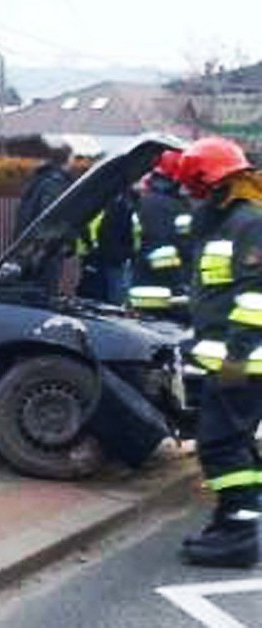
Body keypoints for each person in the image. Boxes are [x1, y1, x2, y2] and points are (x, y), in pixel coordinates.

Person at [176, 136, 261, 568]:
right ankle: (231, 521)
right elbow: (215, 288)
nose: (196, 198)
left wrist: (235, 356)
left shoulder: (248, 223)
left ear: (217, 183)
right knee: (234, 444)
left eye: (199, 188)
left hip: (242, 362)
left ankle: (239, 535)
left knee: (220, 445)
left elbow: (255, 298)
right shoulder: (227, 222)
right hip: (231, 359)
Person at [128, 150, 192, 315]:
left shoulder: (157, 200)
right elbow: (162, 252)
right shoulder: (160, 204)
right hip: (158, 292)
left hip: (153, 285)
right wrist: (180, 284)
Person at [16, 143, 75, 295]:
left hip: (31, 248)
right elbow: (51, 218)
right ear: (67, 160)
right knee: (45, 295)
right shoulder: (55, 183)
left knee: (33, 293)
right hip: (45, 251)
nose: (74, 162)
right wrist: (63, 241)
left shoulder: (39, 179)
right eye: (72, 158)